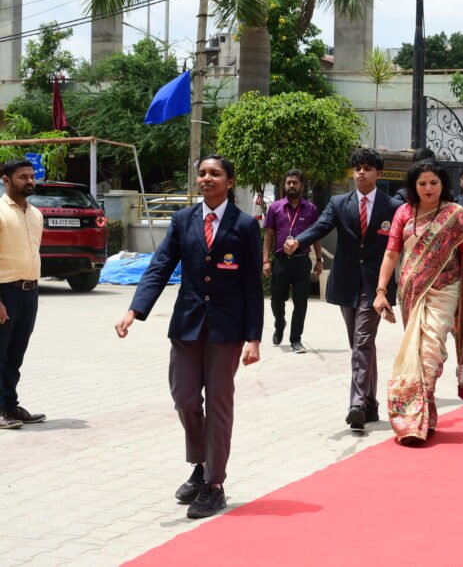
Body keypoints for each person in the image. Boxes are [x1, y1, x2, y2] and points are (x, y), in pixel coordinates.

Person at [115, 155, 263, 519]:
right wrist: (135, 310)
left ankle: (214, 484)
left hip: (226, 331)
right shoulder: (183, 220)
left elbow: (252, 285)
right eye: (202, 173)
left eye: (215, 173)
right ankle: (201, 464)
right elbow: (161, 265)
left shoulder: (245, 225)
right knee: (184, 398)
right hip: (187, 325)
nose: (207, 178)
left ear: (230, 181)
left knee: (219, 405)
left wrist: (254, 338)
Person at [372, 161, 463, 444]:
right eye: (422, 183)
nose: (428, 188)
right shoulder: (403, 213)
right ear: (414, 186)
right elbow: (391, 253)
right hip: (411, 292)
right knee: (414, 351)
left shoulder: (454, 215)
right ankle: (424, 417)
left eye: (433, 183)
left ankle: (412, 420)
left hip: (445, 291)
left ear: (442, 184)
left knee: (429, 354)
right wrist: (381, 290)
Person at [285, 148, 399, 431]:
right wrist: (298, 241)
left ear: (378, 173)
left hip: (376, 285)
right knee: (360, 344)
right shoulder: (338, 203)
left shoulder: (392, 206)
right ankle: (370, 404)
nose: (361, 172)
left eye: (367, 168)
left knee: (362, 341)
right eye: (357, 168)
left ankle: (356, 405)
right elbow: (320, 227)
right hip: (347, 282)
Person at [0, 159, 45, 430]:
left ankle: (10, 406)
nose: (29, 181)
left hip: (30, 293)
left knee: (16, 355)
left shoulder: (36, 214)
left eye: (31, 176)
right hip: (5, 292)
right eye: (22, 177)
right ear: (6, 180)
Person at [262, 169, 323, 353]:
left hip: (301, 262)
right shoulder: (275, 208)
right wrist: (265, 261)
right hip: (281, 261)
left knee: (301, 302)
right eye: (288, 182)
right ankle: (279, 324)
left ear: (301, 186)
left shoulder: (311, 209)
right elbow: (268, 236)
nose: (291, 185)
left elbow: (316, 236)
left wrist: (319, 260)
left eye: (295, 182)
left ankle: (296, 339)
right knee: (276, 300)